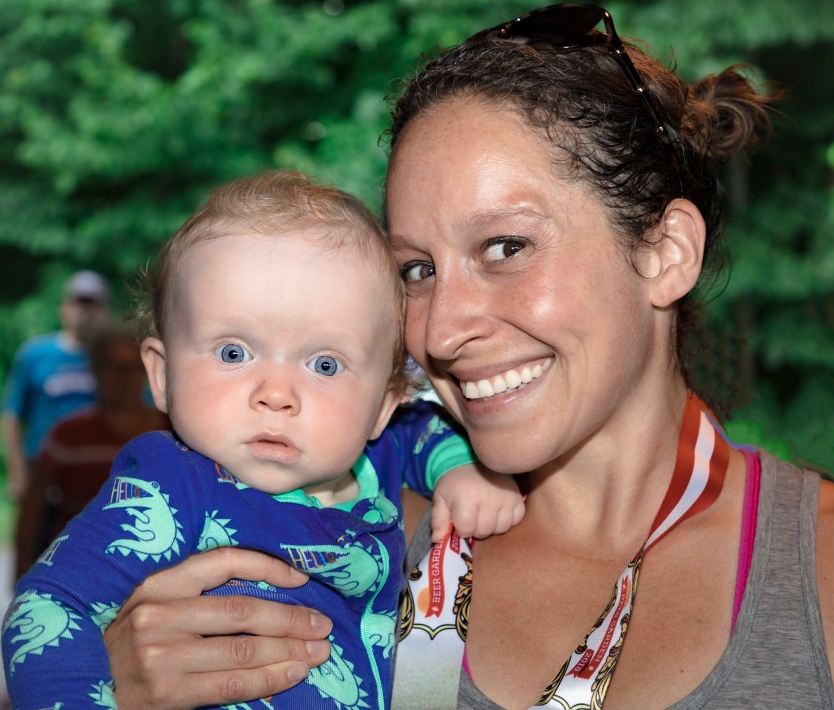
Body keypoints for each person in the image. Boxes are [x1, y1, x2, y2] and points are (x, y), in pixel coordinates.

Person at [96, 3, 834, 709]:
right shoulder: (344, 531)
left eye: (506, 247)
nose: (441, 332)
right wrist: (108, 685)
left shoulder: (827, 570)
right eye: (417, 269)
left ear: (664, 252)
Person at [2, 170, 523, 709]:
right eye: (234, 353)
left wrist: (461, 469)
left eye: (325, 364)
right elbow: (48, 607)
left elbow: (421, 430)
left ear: (382, 406)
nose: (276, 393)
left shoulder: (380, 456)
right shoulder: (171, 484)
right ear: (161, 374)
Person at [13, 321, 170, 578]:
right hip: (73, 571)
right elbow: (33, 507)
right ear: (95, 369)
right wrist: (21, 572)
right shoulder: (67, 435)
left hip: (154, 573)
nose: (125, 377)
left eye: (133, 367)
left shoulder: (171, 431)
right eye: (114, 367)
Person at [2, 270, 111, 501]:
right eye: (78, 304)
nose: (84, 313)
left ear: (105, 312)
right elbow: (12, 415)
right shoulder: (35, 355)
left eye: (92, 306)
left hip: (100, 474)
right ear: (63, 308)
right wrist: (17, 471)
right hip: (44, 472)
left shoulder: (115, 360)